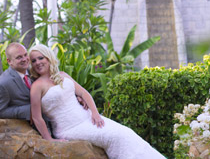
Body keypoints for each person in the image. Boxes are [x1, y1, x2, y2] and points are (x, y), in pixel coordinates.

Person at [29, 44, 166, 159]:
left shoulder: (63, 75)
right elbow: (36, 116)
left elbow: (83, 92)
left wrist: (95, 113)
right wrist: (49, 139)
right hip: (70, 128)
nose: (38, 63)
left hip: (88, 117)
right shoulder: (37, 86)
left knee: (126, 132)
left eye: (41, 58)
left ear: (48, 58)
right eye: (33, 61)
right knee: (114, 137)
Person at [0, 42, 87, 122]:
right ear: (9, 61)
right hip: (33, 125)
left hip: (59, 118)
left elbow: (53, 86)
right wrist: (29, 109)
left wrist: (75, 96)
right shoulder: (2, 84)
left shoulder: (34, 70)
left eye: (25, 55)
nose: (24, 59)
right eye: (19, 57)